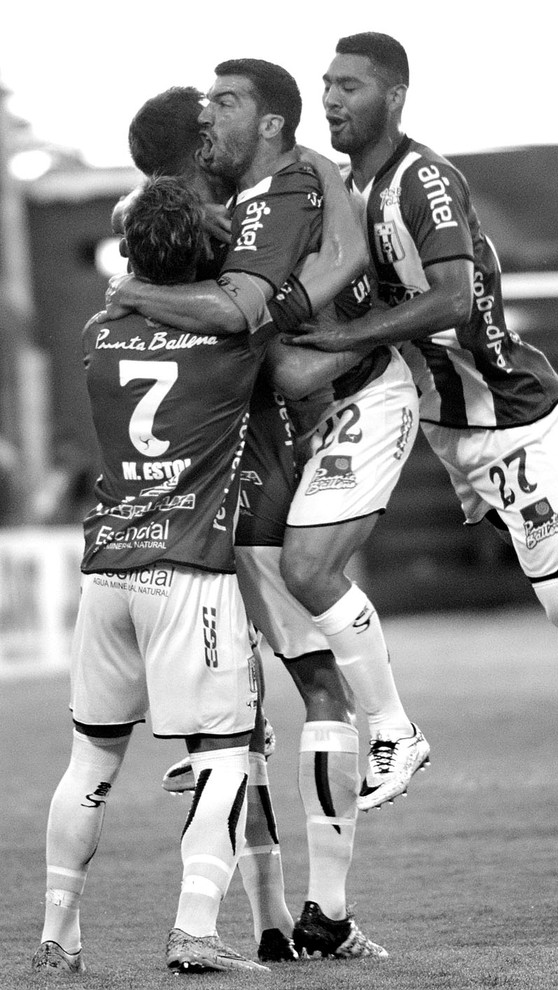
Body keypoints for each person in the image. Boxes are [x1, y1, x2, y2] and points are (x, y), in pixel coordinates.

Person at [286, 31, 558, 880]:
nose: (332, 98)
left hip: (511, 411)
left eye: (351, 86)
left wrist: (342, 335)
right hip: (452, 421)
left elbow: (446, 296)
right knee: (545, 525)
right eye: (326, 83)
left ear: (394, 96)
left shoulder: (423, 181)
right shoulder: (353, 185)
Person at [103, 61, 430, 816]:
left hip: (319, 405)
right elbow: (140, 225)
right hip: (248, 433)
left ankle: (382, 735)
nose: (214, 123)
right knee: (219, 591)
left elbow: (333, 272)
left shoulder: (293, 180)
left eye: (224, 110)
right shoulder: (188, 212)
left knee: (307, 611)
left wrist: (278, 307)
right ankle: (303, 906)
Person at [123, 82, 391, 959]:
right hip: (256, 481)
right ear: (198, 150)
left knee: (230, 730)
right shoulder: (232, 233)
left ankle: (270, 924)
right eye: (208, 124)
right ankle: (326, 912)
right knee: (320, 686)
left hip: (170, 518)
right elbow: (276, 349)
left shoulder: (141, 257)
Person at [31, 176, 273, 977]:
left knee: (89, 764)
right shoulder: (233, 341)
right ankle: (196, 929)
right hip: (189, 572)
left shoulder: (102, 329)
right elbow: (275, 351)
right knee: (226, 754)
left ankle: (57, 936)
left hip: (107, 572)